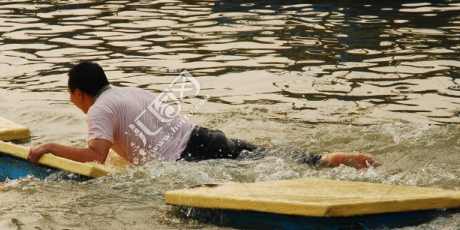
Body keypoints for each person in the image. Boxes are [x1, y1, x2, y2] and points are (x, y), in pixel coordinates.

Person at [27, 61, 375, 169]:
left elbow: (95, 157)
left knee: (257, 168)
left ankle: (327, 164)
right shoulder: (126, 93)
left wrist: (50, 147)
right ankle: (327, 159)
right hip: (201, 135)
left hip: (188, 157)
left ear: (78, 93)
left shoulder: (99, 108)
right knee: (262, 157)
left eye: (70, 95)